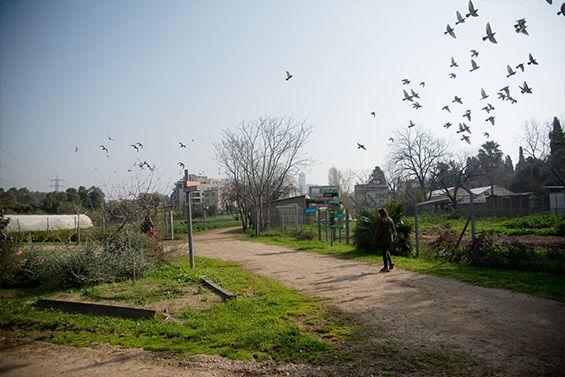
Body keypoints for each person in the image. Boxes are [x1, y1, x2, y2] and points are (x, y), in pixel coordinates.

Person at [374, 207, 397, 272]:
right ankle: (390, 263)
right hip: (390, 239)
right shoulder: (390, 219)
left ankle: (386, 267)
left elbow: (378, 231)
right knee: (386, 250)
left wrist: (376, 239)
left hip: (383, 239)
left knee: (384, 252)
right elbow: (394, 230)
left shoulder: (381, 220)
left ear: (381, 213)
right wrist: (394, 236)